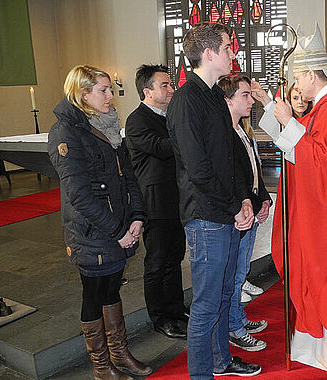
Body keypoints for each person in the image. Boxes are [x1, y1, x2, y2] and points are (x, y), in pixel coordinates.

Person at [256, 24, 327, 375]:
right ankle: (316, 343)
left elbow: (322, 165)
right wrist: (276, 114)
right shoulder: (324, 107)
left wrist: (290, 123)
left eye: (297, 77)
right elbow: (302, 149)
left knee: (325, 277)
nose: (296, 84)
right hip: (323, 210)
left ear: (310, 74)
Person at [165, 22, 260, 379]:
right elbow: (199, 169)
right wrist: (234, 205)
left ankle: (221, 362)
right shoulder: (188, 101)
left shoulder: (213, 97)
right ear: (208, 54)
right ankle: (201, 373)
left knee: (221, 296)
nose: (232, 52)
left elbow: (230, 159)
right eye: (226, 47)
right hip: (206, 215)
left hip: (225, 210)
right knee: (205, 305)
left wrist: (244, 200)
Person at [48, 64, 152, 379]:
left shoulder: (106, 124)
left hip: (118, 227)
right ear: (83, 94)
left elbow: (129, 176)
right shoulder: (66, 131)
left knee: (111, 291)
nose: (111, 95)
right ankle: (101, 364)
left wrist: (136, 216)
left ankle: (119, 354)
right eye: (103, 90)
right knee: (93, 294)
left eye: (110, 89)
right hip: (94, 231)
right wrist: (118, 231)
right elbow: (79, 195)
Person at [125, 64, 189, 339]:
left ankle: (176, 309)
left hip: (177, 199)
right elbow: (161, 149)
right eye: (164, 85)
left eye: (170, 84)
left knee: (174, 259)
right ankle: (160, 317)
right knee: (157, 262)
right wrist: (187, 131)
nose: (171, 89)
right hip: (155, 202)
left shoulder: (168, 116)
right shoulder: (137, 120)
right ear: (147, 91)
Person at [217, 75, 272, 352]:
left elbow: (254, 171)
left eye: (251, 96)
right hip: (236, 213)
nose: (251, 101)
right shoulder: (223, 133)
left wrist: (263, 199)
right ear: (227, 100)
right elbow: (231, 179)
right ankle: (233, 328)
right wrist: (245, 204)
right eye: (245, 96)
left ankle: (237, 318)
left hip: (250, 207)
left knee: (240, 272)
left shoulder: (242, 131)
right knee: (233, 276)